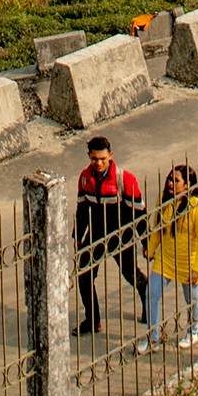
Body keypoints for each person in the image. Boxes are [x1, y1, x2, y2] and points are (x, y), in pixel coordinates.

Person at [74, 135, 143, 336]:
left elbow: (139, 213)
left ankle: (148, 301)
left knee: (131, 274)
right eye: (94, 159)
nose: (99, 163)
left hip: (120, 234)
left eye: (103, 159)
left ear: (110, 156)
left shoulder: (125, 179)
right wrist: (78, 238)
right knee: (84, 276)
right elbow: (81, 209)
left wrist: (147, 243)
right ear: (89, 156)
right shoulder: (85, 178)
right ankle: (92, 319)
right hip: (95, 234)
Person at [140, 163, 198, 353]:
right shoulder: (163, 201)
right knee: (151, 294)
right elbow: (157, 229)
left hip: (188, 261)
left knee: (192, 299)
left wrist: (196, 268)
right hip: (166, 258)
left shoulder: (197, 207)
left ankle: (193, 332)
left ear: (187, 185)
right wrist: (151, 249)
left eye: (176, 180)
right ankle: (153, 338)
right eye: (170, 179)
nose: (171, 183)